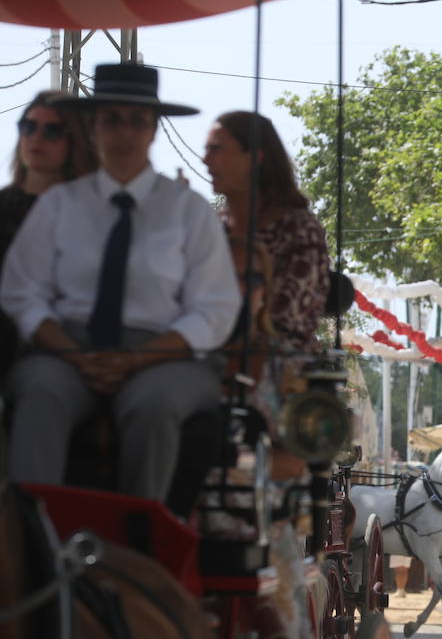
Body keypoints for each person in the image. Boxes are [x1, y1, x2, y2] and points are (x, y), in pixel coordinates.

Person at [1, 63, 240, 500]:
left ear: (154, 130)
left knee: (153, 405)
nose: (125, 132)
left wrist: (138, 358)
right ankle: (34, 531)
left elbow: (214, 308)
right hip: (68, 350)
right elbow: (22, 291)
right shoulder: (60, 205)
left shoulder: (187, 209)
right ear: (93, 127)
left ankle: (140, 533)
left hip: (166, 356)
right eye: (112, 119)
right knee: (39, 392)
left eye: (138, 120)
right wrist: (74, 352)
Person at [202, 110, 329, 353]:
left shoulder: (298, 231)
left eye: (215, 149)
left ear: (254, 157)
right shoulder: (213, 227)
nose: (205, 160)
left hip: (277, 362)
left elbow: (283, 320)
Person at [1, 90, 96, 269]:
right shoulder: (3, 207)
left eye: (52, 131)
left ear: (75, 140)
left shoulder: (93, 213)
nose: (36, 138)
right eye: (29, 127)